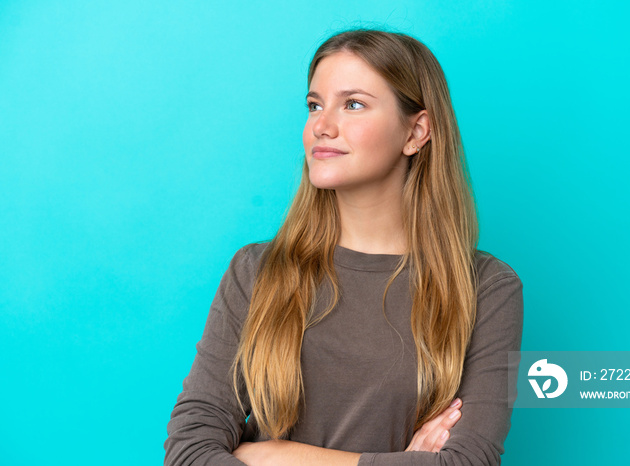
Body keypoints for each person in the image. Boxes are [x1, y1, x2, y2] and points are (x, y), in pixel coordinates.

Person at [164, 28, 523, 466]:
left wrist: (270, 455)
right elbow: (189, 451)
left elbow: (467, 462)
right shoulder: (256, 271)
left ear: (417, 132)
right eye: (315, 105)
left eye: (353, 104)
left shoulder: (487, 288)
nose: (322, 125)